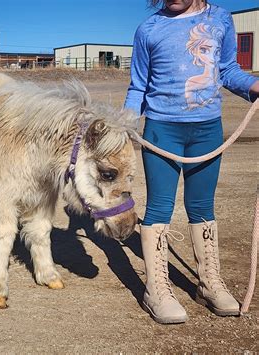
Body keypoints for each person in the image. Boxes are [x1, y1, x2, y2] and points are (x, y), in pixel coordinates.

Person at [124, 0, 259, 324]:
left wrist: (254, 86)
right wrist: (125, 122)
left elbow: (227, 70)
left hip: (207, 129)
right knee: (159, 207)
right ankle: (155, 289)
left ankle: (209, 283)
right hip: (161, 130)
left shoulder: (220, 19)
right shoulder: (149, 29)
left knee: (202, 207)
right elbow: (138, 85)